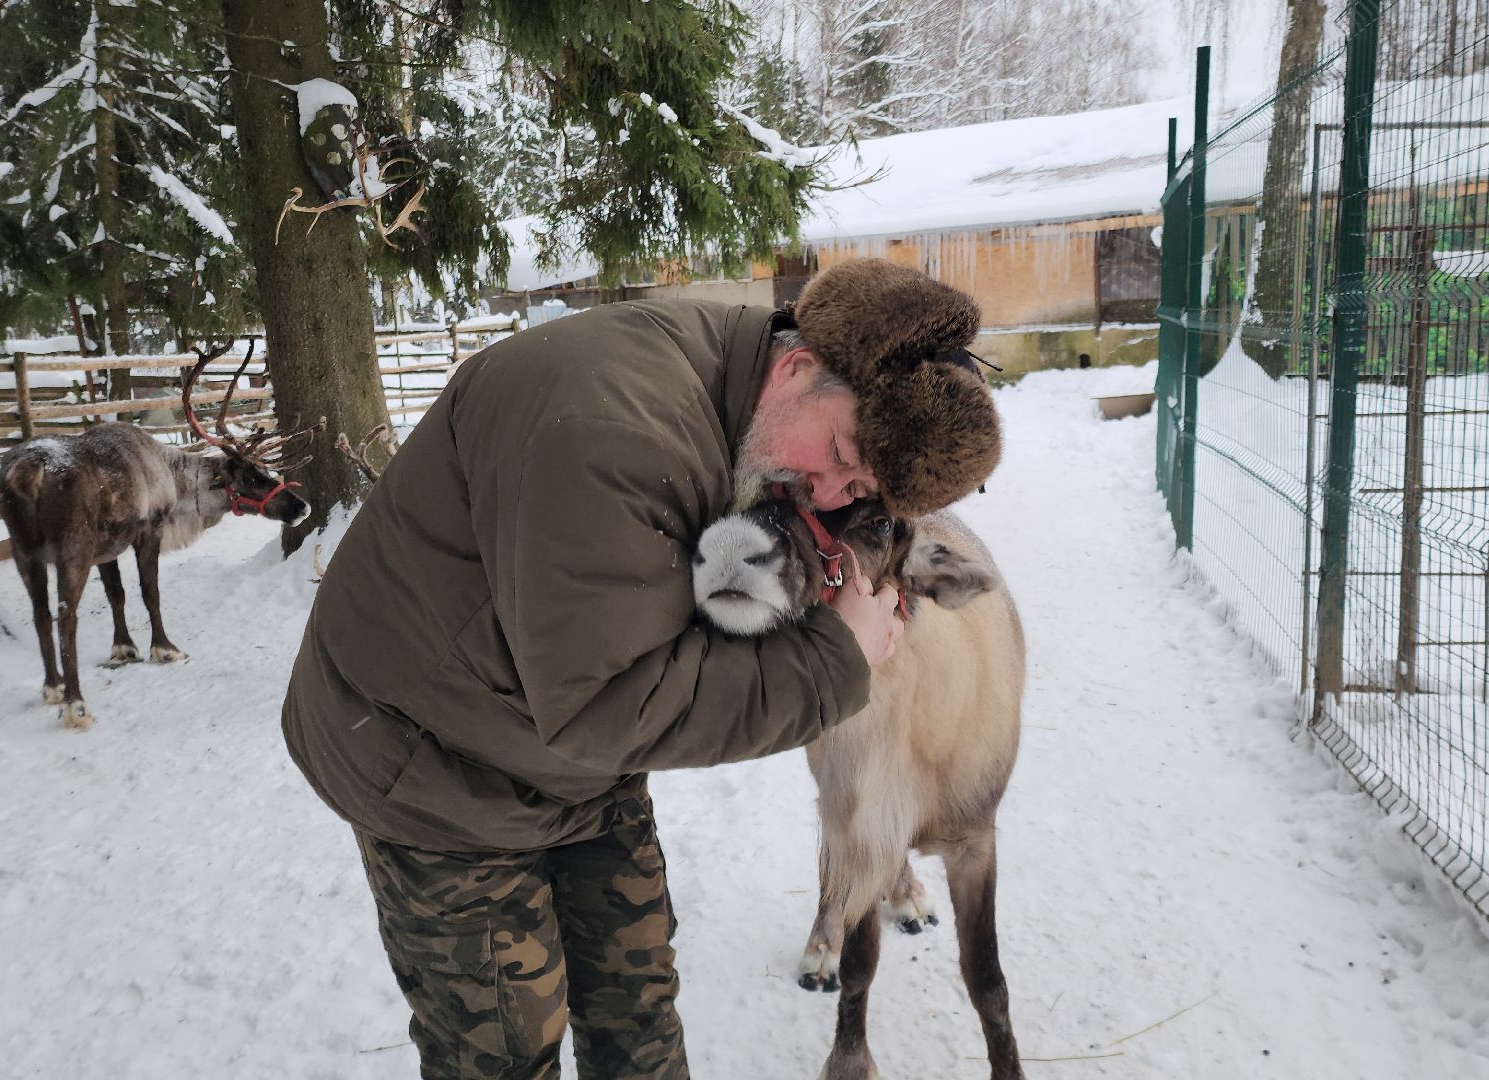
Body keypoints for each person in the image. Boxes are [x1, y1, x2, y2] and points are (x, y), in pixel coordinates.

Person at [280, 258, 1003, 1079]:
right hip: (432, 761)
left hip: (567, 754)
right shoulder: (611, 430)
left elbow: (718, 576)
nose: (829, 489)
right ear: (799, 366)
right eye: (839, 452)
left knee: (638, 1008)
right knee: (507, 1044)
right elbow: (606, 705)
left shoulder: (753, 394)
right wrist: (837, 658)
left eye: (858, 486)